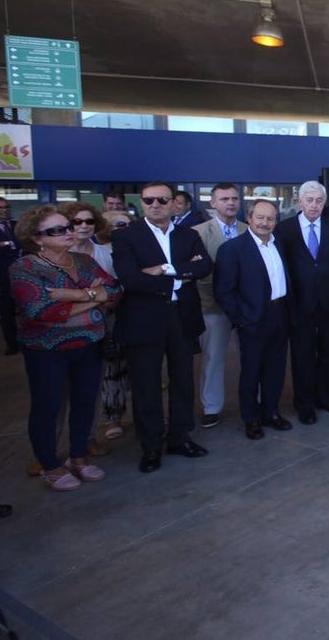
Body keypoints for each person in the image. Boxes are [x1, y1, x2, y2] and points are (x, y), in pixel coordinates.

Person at [12, 206, 121, 489]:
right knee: (47, 406)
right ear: (36, 238)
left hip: (89, 344)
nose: (68, 233)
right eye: (57, 230)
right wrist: (94, 297)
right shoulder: (25, 268)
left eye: (68, 227)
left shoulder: (84, 261)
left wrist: (71, 295)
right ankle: (50, 465)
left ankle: (78, 457)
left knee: (85, 402)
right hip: (47, 349)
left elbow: (113, 290)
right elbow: (40, 311)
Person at [112, 182, 213, 473]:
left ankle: (180, 437)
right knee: (146, 385)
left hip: (182, 316)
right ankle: (151, 445)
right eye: (148, 200)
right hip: (144, 319)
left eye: (162, 200)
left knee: (183, 380)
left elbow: (204, 267)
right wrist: (182, 273)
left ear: (174, 203)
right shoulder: (126, 237)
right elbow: (130, 279)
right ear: (141, 203)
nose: (155, 205)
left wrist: (164, 269)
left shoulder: (188, 235)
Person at [214, 200, 293, 440]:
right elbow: (224, 291)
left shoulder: (279, 244)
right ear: (249, 218)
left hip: (280, 314)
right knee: (251, 371)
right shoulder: (232, 249)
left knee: (276, 369)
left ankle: (271, 413)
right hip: (252, 319)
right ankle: (251, 419)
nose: (265, 223)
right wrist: (242, 318)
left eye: (270, 218)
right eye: (260, 217)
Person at [276, 180, 329, 424]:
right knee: (303, 356)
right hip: (300, 305)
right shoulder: (285, 229)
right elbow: (282, 268)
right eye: (309, 200)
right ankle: (304, 404)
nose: (314, 205)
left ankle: (325, 397)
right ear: (300, 201)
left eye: (319, 201)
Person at [59, 201, 115, 456]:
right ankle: (48, 450)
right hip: (56, 335)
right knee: (55, 395)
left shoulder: (106, 253)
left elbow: (113, 290)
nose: (83, 226)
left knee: (89, 390)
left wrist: (80, 297)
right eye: (76, 222)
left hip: (98, 329)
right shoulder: (51, 254)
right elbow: (49, 301)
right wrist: (93, 295)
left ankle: (87, 439)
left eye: (89, 221)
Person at [192, 182, 247, 428]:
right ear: (213, 203)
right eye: (224, 199)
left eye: (234, 198)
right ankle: (211, 407)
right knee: (213, 358)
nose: (231, 203)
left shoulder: (249, 229)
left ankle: (254, 401)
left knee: (251, 356)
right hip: (212, 305)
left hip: (246, 306)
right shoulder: (198, 233)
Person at [98, 210, 132, 438]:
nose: (125, 229)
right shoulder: (100, 253)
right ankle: (113, 417)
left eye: (128, 225)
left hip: (137, 312)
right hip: (110, 315)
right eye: (119, 225)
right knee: (112, 369)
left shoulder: (139, 249)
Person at [0, 196, 22, 354]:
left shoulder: (18, 225)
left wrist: (4, 244)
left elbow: (26, 243)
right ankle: (12, 343)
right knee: (7, 311)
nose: (4, 210)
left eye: (6, 207)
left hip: (24, 275)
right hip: (2, 277)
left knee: (27, 308)